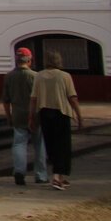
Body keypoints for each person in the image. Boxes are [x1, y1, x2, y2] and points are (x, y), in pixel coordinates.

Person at [29, 49, 85, 190]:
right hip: (61, 113)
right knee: (63, 145)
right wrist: (79, 115)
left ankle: (59, 175)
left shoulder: (39, 76)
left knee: (51, 144)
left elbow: (34, 99)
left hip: (45, 113)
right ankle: (57, 176)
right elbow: (72, 97)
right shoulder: (65, 76)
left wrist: (32, 116)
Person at [3, 47, 49, 186]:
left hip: (17, 114)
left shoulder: (9, 76)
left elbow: (6, 100)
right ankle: (41, 174)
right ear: (29, 60)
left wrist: (8, 116)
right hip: (35, 115)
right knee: (39, 145)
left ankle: (19, 171)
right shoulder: (35, 76)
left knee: (19, 144)